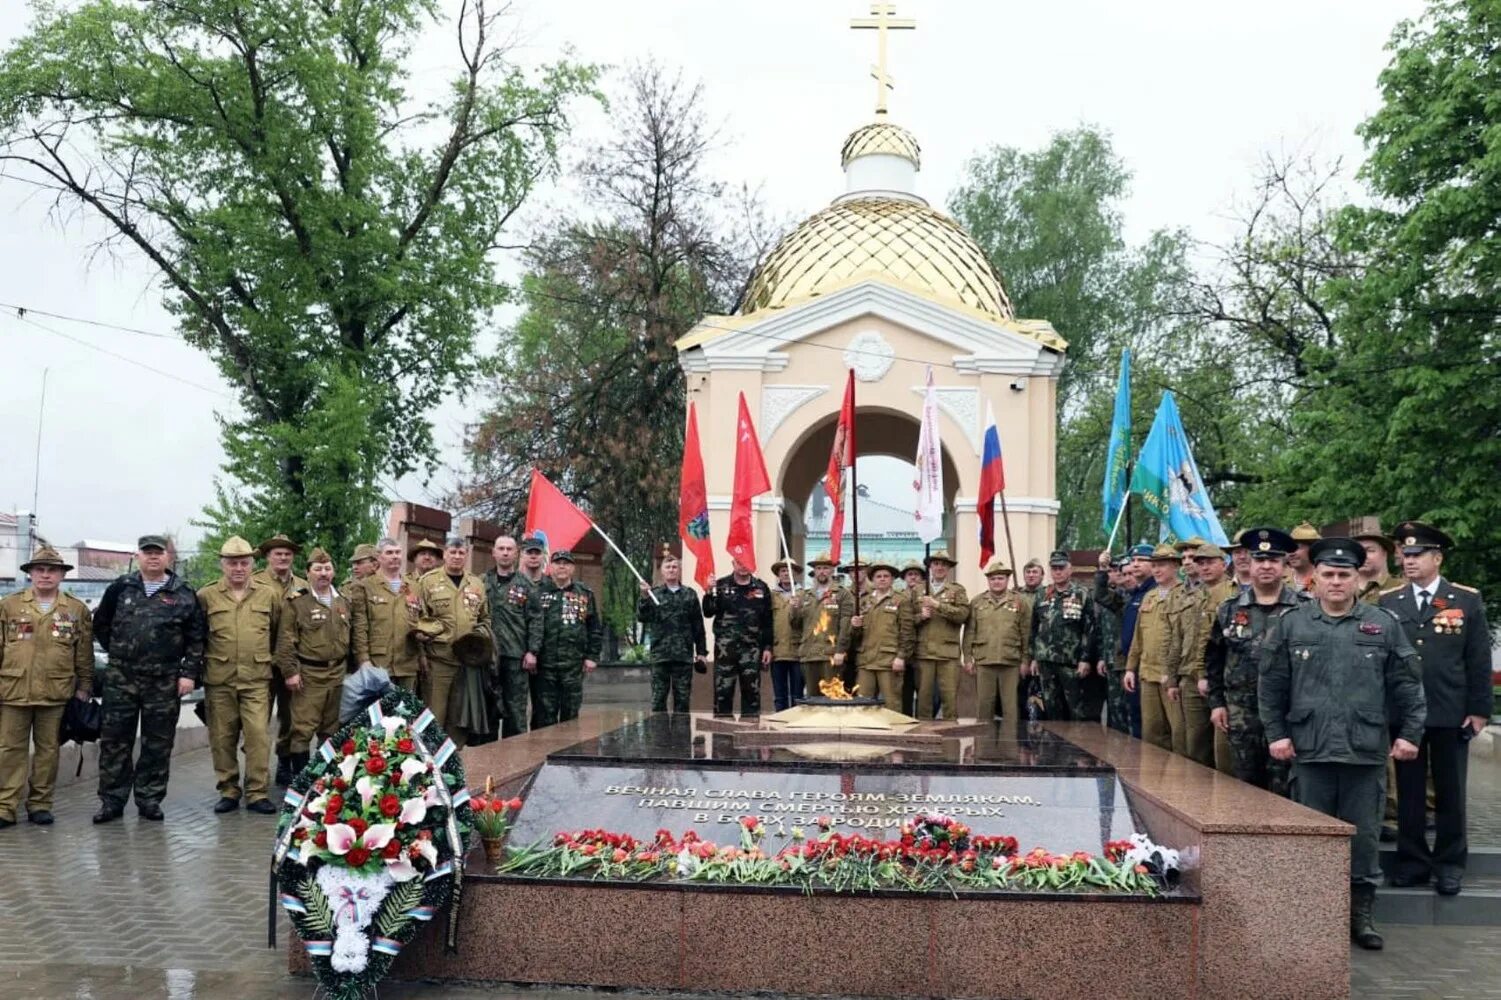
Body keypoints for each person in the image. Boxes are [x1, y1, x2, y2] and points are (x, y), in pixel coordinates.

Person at [1260, 537, 1425, 951]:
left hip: (1364, 752)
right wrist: (1276, 734)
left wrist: (1409, 734)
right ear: (1314, 578)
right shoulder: (1293, 625)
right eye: (1329, 575)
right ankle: (1311, 917)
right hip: (1309, 751)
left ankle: (1361, 916)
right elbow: (1271, 685)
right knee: (1310, 840)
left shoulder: (1383, 624)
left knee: (1365, 840)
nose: (1336, 582)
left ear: (1357, 578)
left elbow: (1408, 685)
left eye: (1344, 575)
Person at [1380, 521, 1492, 896]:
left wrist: (1479, 710)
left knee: (1450, 792)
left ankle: (1449, 864)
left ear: (1437, 557)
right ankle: (1412, 862)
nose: (1408, 561)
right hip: (1405, 713)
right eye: (1404, 554)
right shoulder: (1389, 602)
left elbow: (1477, 659)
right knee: (1408, 793)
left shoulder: (1465, 600)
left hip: (1450, 710)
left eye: (1416, 555)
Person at [92, 535, 206, 823]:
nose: (153, 557)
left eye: (159, 553)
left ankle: (149, 798)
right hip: (122, 678)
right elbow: (101, 625)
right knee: (115, 741)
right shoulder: (120, 588)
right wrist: (121, 651)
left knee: (158, 742)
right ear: (137, 556)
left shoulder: (183, 592)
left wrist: (189, 674)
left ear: (168, 557)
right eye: (147, 553)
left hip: (164, 679)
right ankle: (112, 801)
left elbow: (196, 638)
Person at [0, 546, 93, 828]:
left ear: (61, 575)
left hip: (55, 693)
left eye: (51, 570)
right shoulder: (9, 605)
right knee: (9, 750)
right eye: (39, 570)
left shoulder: (75, 609)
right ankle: (6, 806)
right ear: (30, 574)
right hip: (14, 691)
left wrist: (85, 686)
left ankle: (40, 804)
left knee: (48, 751)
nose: (45, 575)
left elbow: (84, 653)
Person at [1205, 528, 1302, 794]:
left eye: (1274, 560)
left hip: (1289, 714)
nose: (1267, 566)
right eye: (1260, 560)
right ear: (1250, 562)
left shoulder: (1305, 608)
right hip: (1241, 714)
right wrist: (1216, 704)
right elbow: (1214, 658)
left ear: (1284, 565)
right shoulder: (1230, 609)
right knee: (1245, 788)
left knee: (1287, 790)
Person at [197, 536, 282, 815]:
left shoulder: (268, 594)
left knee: (258, 736)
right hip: (219, 679)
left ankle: (257, 792)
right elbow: (198, 637)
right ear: (222, 565)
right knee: (222, 738)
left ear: (252, 564)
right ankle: (229, 790)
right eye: (232, 563)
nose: (238, 568)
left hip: (256, 679)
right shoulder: (206, 595)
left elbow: (278, 633)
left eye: (244, 563)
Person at [277, 548, 351, 772]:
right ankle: (300, 780)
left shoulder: (343, 602)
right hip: (309, 676)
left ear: (334, 572)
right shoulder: (297, 603)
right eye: (318, 569)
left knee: (331, 729)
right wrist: (290, 672)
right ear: (308, 573)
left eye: (327, 568)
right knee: (302, 730)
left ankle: (324, 779)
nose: (323, 573)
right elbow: (285, 641)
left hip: (337, 674)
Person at [415, 537, 491, 744]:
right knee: (434, 717)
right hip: (438, 661)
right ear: (445, 554)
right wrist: (421, 655)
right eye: (453, 552)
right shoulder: (428, 582)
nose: (457, 557)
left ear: (466, 555)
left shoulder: (475, 583)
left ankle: (455, 764)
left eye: (461, 553)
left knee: (459, 719)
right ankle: (431, 765)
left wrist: (481, 637)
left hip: (467, 664)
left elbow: (485, 618)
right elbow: (416, 620)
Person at [1174, 543, 1236, 769]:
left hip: (1217, 678)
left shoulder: (1232, 593)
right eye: (1201, 563)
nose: (1205, 567)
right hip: (1190, 676)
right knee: (1195, 745)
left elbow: (1215, 642)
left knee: (1223, 751)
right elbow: (1179, 637)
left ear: (1224, 563)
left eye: (1210, 562)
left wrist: (1206, 674)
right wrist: (1173, 677)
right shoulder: (1191, 595)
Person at [254, 533, 306, 787]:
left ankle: (284, 763)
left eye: (287, 554)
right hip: (261, 661)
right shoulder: (255, 583)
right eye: (278, 553)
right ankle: (255, 773)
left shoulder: (303, 585)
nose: (283, 557)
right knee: (257, 720)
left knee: (290, 717)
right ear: (267, 557)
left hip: (290, 664)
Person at [1123, 544, 1182, 751]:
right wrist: (1130, 668)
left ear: (1175, 566)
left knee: (1178, 734)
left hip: (1172, 676)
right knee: (1151, 734)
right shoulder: (1150, 596)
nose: (1157, 570)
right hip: (1147, 673)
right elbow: (1138, 638)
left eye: (1162, 565)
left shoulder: (1186, 596)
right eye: (1154, 565)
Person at [1028, 551, 1100, 722]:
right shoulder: (1041, 594)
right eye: (1054, 568)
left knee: (1075, 707)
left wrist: (1085, 659)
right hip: (1046, 661)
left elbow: (1090, 629)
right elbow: (1034, 628)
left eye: (1061, 568)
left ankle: (1076, 746)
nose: (1058, 572)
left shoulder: (1082, 594)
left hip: (1071, 662)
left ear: (1070, 570)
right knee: (1051, 707)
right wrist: (1033, 657)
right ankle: (1055, 746)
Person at [535, 551, 602, 726]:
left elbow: (594, 627)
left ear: (573, 568)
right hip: (545, 664)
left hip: (573, 665)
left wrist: (592, 656)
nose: (562, 566)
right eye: (558, 563)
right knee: (544, 715)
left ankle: (567, 752)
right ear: (551, 567)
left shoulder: (585, 593)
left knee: (570, 715)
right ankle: (542, 752)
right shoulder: (538, 591)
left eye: (566, 563)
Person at [484, 534, 542, 735]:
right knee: (488, 707)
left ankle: (514, 757)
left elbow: (535, 619)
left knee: (515, 710)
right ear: (494, 553)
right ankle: (487, 756)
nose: (505, 553)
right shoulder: (481, 582)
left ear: (516, 554)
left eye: (509, 549)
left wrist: (532, 651)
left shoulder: (526, 585)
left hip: (515, 656)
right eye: (501, 549)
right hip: (487, 656)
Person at [702, 558, 773, 717]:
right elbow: (708, 612)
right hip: (725, 651)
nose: (743, 566)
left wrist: (768, 647)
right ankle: (722, 737)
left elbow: (767, 620)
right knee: (723, 694)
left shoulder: (761, 588)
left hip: (752, 651)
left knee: (751, 694)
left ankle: (750, 735)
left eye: (746, 562)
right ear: (733, 563)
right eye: (739, 562)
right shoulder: (720, 585)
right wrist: (708, 591)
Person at [638, 551, 706, 714]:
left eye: (675, 566)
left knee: (682, 701)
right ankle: (660, 738)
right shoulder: (654, 594)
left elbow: (698, 624)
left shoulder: (689, 594)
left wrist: (702, 652)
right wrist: (644, 597)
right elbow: (642, 617)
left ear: (679, 570)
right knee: (658, 700)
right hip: (660, 656)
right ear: (662, 571)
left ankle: (680, 738)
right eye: (667, 567)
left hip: (683, 656)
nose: (671, 569)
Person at [350, 537, 422, 692]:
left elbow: (421, 622)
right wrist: (363, 660)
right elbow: (359, 627)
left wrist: (422, 656)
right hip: (378, 663)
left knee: (405, 712)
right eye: (389, 553)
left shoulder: (414, 587)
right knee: (380, 714)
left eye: (398, 552)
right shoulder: (365, 586)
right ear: (378, 557)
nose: (395, 556)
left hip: (407, 663)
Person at [965, 560, 1030, 726]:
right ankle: (982, 747)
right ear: (988, 581)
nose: (997, 582)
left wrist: (1025, 660)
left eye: (1000, 578)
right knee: (984, 705)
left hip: (1010, 660)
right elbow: (970, 631)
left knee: (1010, 706)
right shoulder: (977, 602)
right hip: (984, 659)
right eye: (993, 579)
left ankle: (1009, 748)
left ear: (1007, 580)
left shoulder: (1020, 602)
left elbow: (1026, 632)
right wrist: (967, 658)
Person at [911, 550, 968, 721]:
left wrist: (938, 605)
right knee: (924, 699)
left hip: (947, 653)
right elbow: (907, 620)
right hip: (924, 652)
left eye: (944, 564)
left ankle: (951, 739)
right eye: (936, 564)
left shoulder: (957, 590)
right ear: (930, 567)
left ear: (949, 568)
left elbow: (963, 615)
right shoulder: (918, 590)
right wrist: (920, 616)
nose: (939, 567)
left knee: (949, 698)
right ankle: (923, 737)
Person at [849, 563, 915, 712]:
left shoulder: (901, 600)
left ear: (892, 580)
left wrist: (901, 657)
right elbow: (855, 636)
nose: (882, 579)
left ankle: (895, 733)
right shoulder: (864, 602)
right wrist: (855, 626)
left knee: (891, 704)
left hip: (889, 661)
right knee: (862, 704)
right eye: (878, 576)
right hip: (866, 661)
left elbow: (907, 632)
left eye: (886, 576)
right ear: (872, 580)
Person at [790, 553, 853, 695]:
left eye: (825, 568)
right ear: (814, 571)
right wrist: (794, 609)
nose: (822, 571)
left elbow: (846, 626)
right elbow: (795, 624)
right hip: (809, 654)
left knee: (832, 698)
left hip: (830, 654)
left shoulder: (842, 594)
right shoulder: (805, 595)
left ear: (832, 570)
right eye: (818, 568)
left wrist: (840, 651)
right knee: (812, 699)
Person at [768, 559, 805, 712]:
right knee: (780, 694)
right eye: (782, 571)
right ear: (778, 574)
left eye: (789, 570)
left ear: (795, 573)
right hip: (777, 652)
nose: (785, 574)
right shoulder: (771, 596)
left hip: (798, 652)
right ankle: (779, 722)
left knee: (797, 694)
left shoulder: (804, 595)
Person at [898, 562, 927, 716]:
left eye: (917, 574)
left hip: (923, 650)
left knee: (927, 693)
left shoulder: (927, 595)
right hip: (904, 651)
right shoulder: (898, 596)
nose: (913, 577)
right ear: (904, 578)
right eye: (910, 574)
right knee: (905, 692)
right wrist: (919, 617)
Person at [1350, 517, 1396, 603]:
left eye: (1370, 550)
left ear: (1384, 554)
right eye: (1357, 550)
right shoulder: (1339, 588)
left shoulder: (1401, 588)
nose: (1363, 556)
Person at [1286, 521, 1321, 594]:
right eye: (1288, 549)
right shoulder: (1279, 579)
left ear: (1313, 549)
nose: (1291, 553)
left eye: (1297, 548)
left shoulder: (1324, 579)